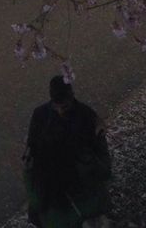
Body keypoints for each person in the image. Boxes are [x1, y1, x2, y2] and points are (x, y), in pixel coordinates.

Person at [23, 75, 112, 228]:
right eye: (57, 106)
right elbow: (32, 147)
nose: (60, 110)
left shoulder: (86, 116)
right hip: (50, 180)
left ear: (71, 97)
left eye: (64, 106)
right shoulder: (41, 115)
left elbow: (102, 158)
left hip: (77, 181)